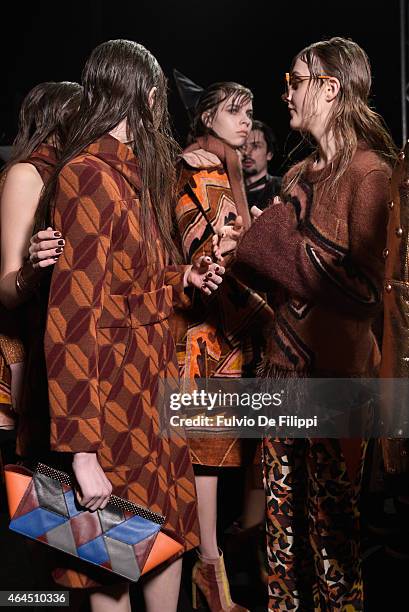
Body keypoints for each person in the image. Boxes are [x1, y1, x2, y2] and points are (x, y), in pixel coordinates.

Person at [32, 39, 224, 612]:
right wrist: (82, 454)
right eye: (157, 92)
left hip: (153, 397)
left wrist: (184, 279)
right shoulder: (88, 175)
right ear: (141, 92)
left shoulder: (133, 177)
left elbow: (128, 298)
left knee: (167, 544)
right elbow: (70, 321)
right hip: (110, 409)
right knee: (112, 567)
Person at [217, 37, 396, 610]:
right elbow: (270, 266)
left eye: (295, 80)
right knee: (281, 546)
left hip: (337, 386)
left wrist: (266, 244)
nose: (285, 91)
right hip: (278, 378)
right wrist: (238, 248)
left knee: (333, 549)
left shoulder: (372, 174)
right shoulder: (297, 173)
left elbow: (366, 289)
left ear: (330, 88)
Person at [174, 81, 273, 611]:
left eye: (250, 112)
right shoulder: (195, 164)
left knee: (238, 456)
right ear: (207, 114)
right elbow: (199, 240)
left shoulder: (227, 164)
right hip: (209, 333)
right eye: (234, 111)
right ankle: (210, 576)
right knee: (207, 459)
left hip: (239, 331)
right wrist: (229, 248)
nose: (245, 122)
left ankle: (223, 570)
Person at [0, 81, 82, 446]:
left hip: (58, 351)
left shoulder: (78, 175)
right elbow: (6, 286)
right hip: (23, 351)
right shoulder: (26, 174)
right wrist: (16, 361)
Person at [241, 120, 281, 211]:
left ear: (269, 154)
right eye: (242, 146)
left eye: (255, 146)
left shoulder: (283, 189)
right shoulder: (229, 192)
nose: (247, 153)